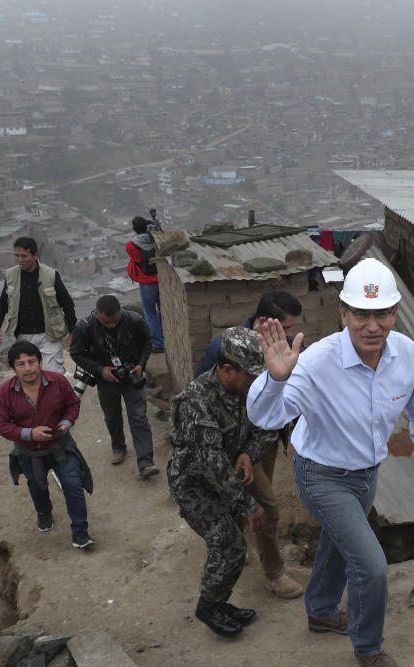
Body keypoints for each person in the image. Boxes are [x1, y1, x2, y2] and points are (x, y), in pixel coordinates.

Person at [247, 258, 414, 667]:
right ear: (343, 314)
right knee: (371, 563)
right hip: (321, 474)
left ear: (395, 313)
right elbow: (266, 417)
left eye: (382, 314)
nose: (372, 325)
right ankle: (368, 645)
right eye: (361, 313)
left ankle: (320, 609)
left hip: (367, 472)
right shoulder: (317, 362)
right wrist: (276, 379)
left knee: (342, 543)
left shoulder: (407, 355)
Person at [167, 327, 278, 638]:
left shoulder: (247, 390)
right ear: (227, 369)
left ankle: (219, 602)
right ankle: (208, 606)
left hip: (226, 476)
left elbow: (267, 427)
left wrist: (247, 452)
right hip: (195, 484)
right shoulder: (195, 402)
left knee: (233, 545)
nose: (257, 383)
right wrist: (248, 506)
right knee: (228, 542)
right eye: (251, 377)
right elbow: (212, 465)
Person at [194, 290, 304, 599]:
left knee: (253, 494)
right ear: (262, 323)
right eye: (286, 327)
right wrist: (228, 448)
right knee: (266, 506)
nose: (291, 335)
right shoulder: (223, 348)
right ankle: (274, 573)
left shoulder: (286, 349)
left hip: (264, 441)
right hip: (233, 445)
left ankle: (240, 541)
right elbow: (203, 399)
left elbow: (287, 398)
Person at [0, 341, 95, 549]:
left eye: (31, 362)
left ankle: (80, 531)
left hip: (60, 447)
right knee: (37, 486)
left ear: (40, 363)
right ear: (13, 368)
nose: (27, 368)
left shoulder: (58, 382)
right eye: (21, 364)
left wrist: (66, 423)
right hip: (28, 452)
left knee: (73, 485)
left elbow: (72, 405)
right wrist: (29, 434)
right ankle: (44, 511)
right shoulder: (5, 392)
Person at [69, 294, 159, 478]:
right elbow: (76, 353)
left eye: (115, 321)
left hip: (132, 376)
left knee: (139, 417)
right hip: (106, 380)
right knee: (112, 416)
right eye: (107, 322)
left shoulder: (133, 320)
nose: (112, 325)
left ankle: (145, 462)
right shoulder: (84, 327)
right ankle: (118, 447)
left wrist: (141, 364)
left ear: (120, 312)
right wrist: (100, 370)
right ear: (97, 315)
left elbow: (146, 343)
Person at [0, 237, 76, 375]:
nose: (20, 259)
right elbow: (3, 302)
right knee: (28, 375)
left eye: (24, 256)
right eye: (17, 256)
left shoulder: (51, 275)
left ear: (36, 255)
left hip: (49, 335)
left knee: (54, 375)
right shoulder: (10, 275)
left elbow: (67, 304)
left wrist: (72, 332)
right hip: (22, 336)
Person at [125, 216, 164, 353]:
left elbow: (136, 259)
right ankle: (167, 338)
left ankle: (158, 344)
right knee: (163, 311)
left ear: (135, 229)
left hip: (146, 283)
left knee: (150, 313)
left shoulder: (131, 245)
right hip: (162, 280)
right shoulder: (156, 239)